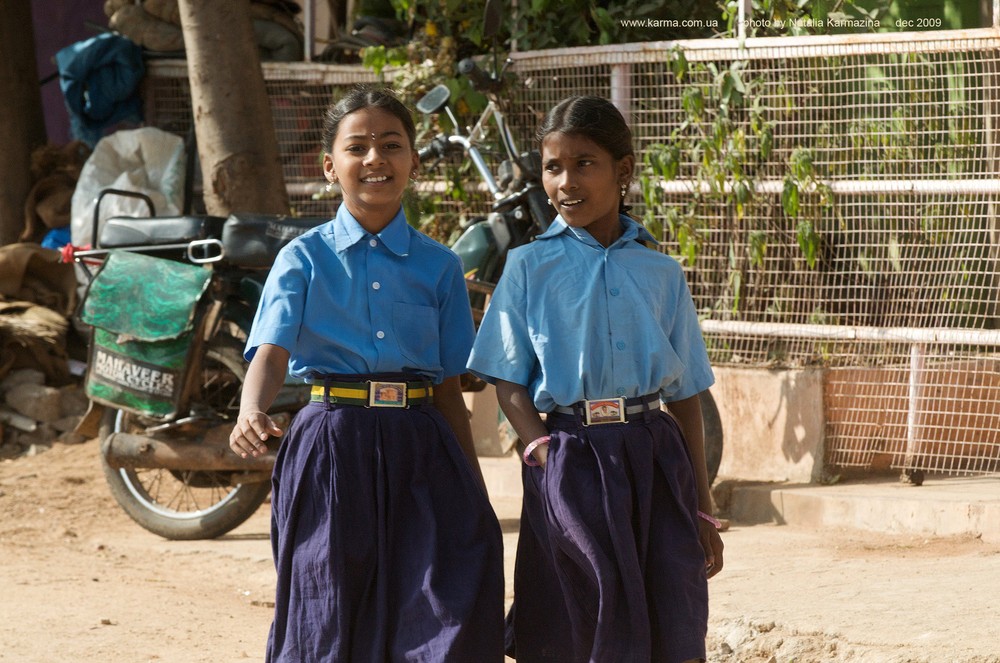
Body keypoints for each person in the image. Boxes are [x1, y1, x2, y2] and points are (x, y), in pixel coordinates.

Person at [229, 85, 504, 662]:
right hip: (332, 445)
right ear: (331, 166)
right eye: (358, 147)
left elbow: (448, 386)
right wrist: (251, 408)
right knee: (329, 610)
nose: (375, 159)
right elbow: (272, 351)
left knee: (439, 605)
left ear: (414, 161)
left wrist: (473, 489)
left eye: (391, 145)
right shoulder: (302, 257)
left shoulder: (441, 265)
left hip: (422, 449)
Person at [468, 95, 725, 663]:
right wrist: (541, 449)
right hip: (568, 456)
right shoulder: (528, 266)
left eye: (584, 163)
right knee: (575, 610)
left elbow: (686, 398)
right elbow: (507, 380)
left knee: (669, 604)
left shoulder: (660, 272)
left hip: (653, 458)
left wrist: (702, 504)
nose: (565, 181)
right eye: (553, 167)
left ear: (624, 170)